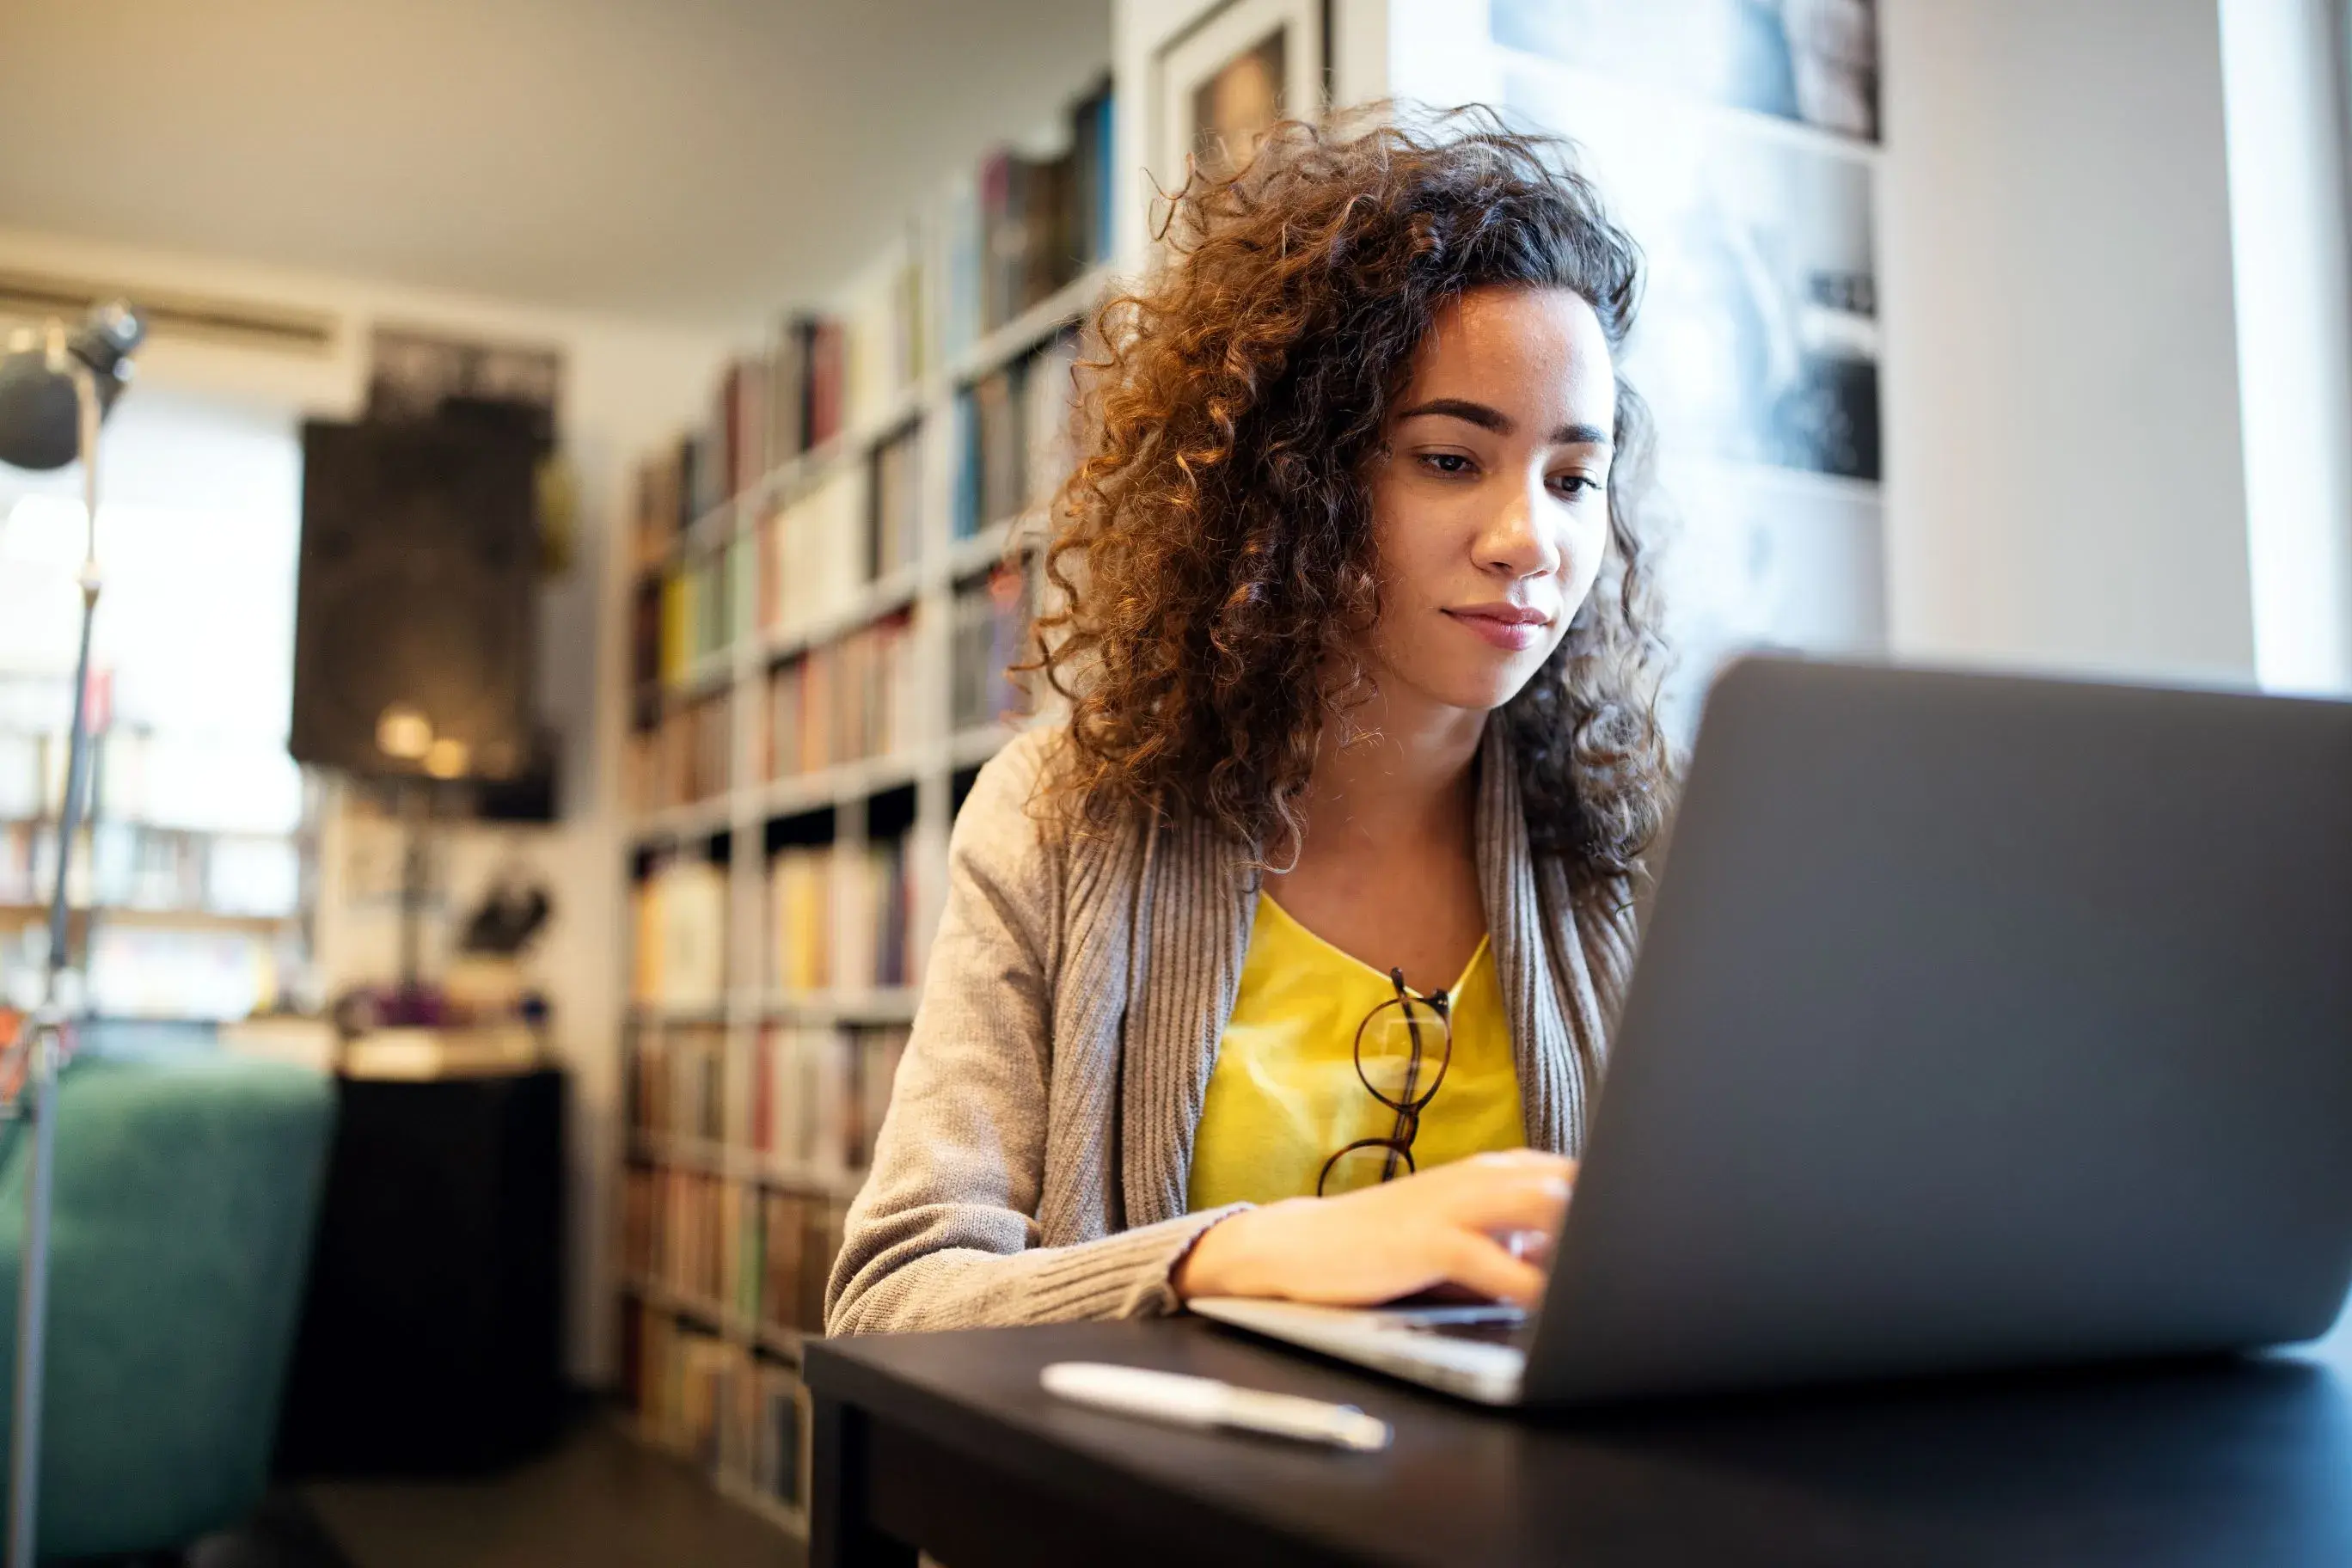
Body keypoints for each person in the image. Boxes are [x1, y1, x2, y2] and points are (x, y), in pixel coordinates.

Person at [825, 109, 1673, 1334]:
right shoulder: (1060, 815)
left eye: (1572, 479)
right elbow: (892, 1297)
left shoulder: (1643, 842)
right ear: (1299, 477)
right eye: (1449, 459)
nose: (1530, 541)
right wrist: (1242, 1257)